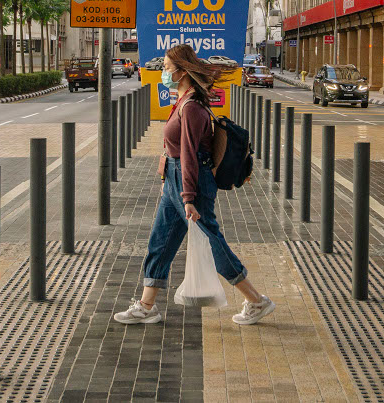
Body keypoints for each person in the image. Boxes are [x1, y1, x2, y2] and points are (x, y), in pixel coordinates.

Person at [115, 43, 275, 326]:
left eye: (166, 68)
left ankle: (256, 301)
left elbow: (189, 155)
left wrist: (187, 197)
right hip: (177, 181)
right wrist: (169, 184)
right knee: (160, 242)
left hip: (192, 183)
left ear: (181, 72)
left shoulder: (190, 108)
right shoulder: (184, 100)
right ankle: (146, 305)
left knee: (212, 243)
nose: (163, 73)